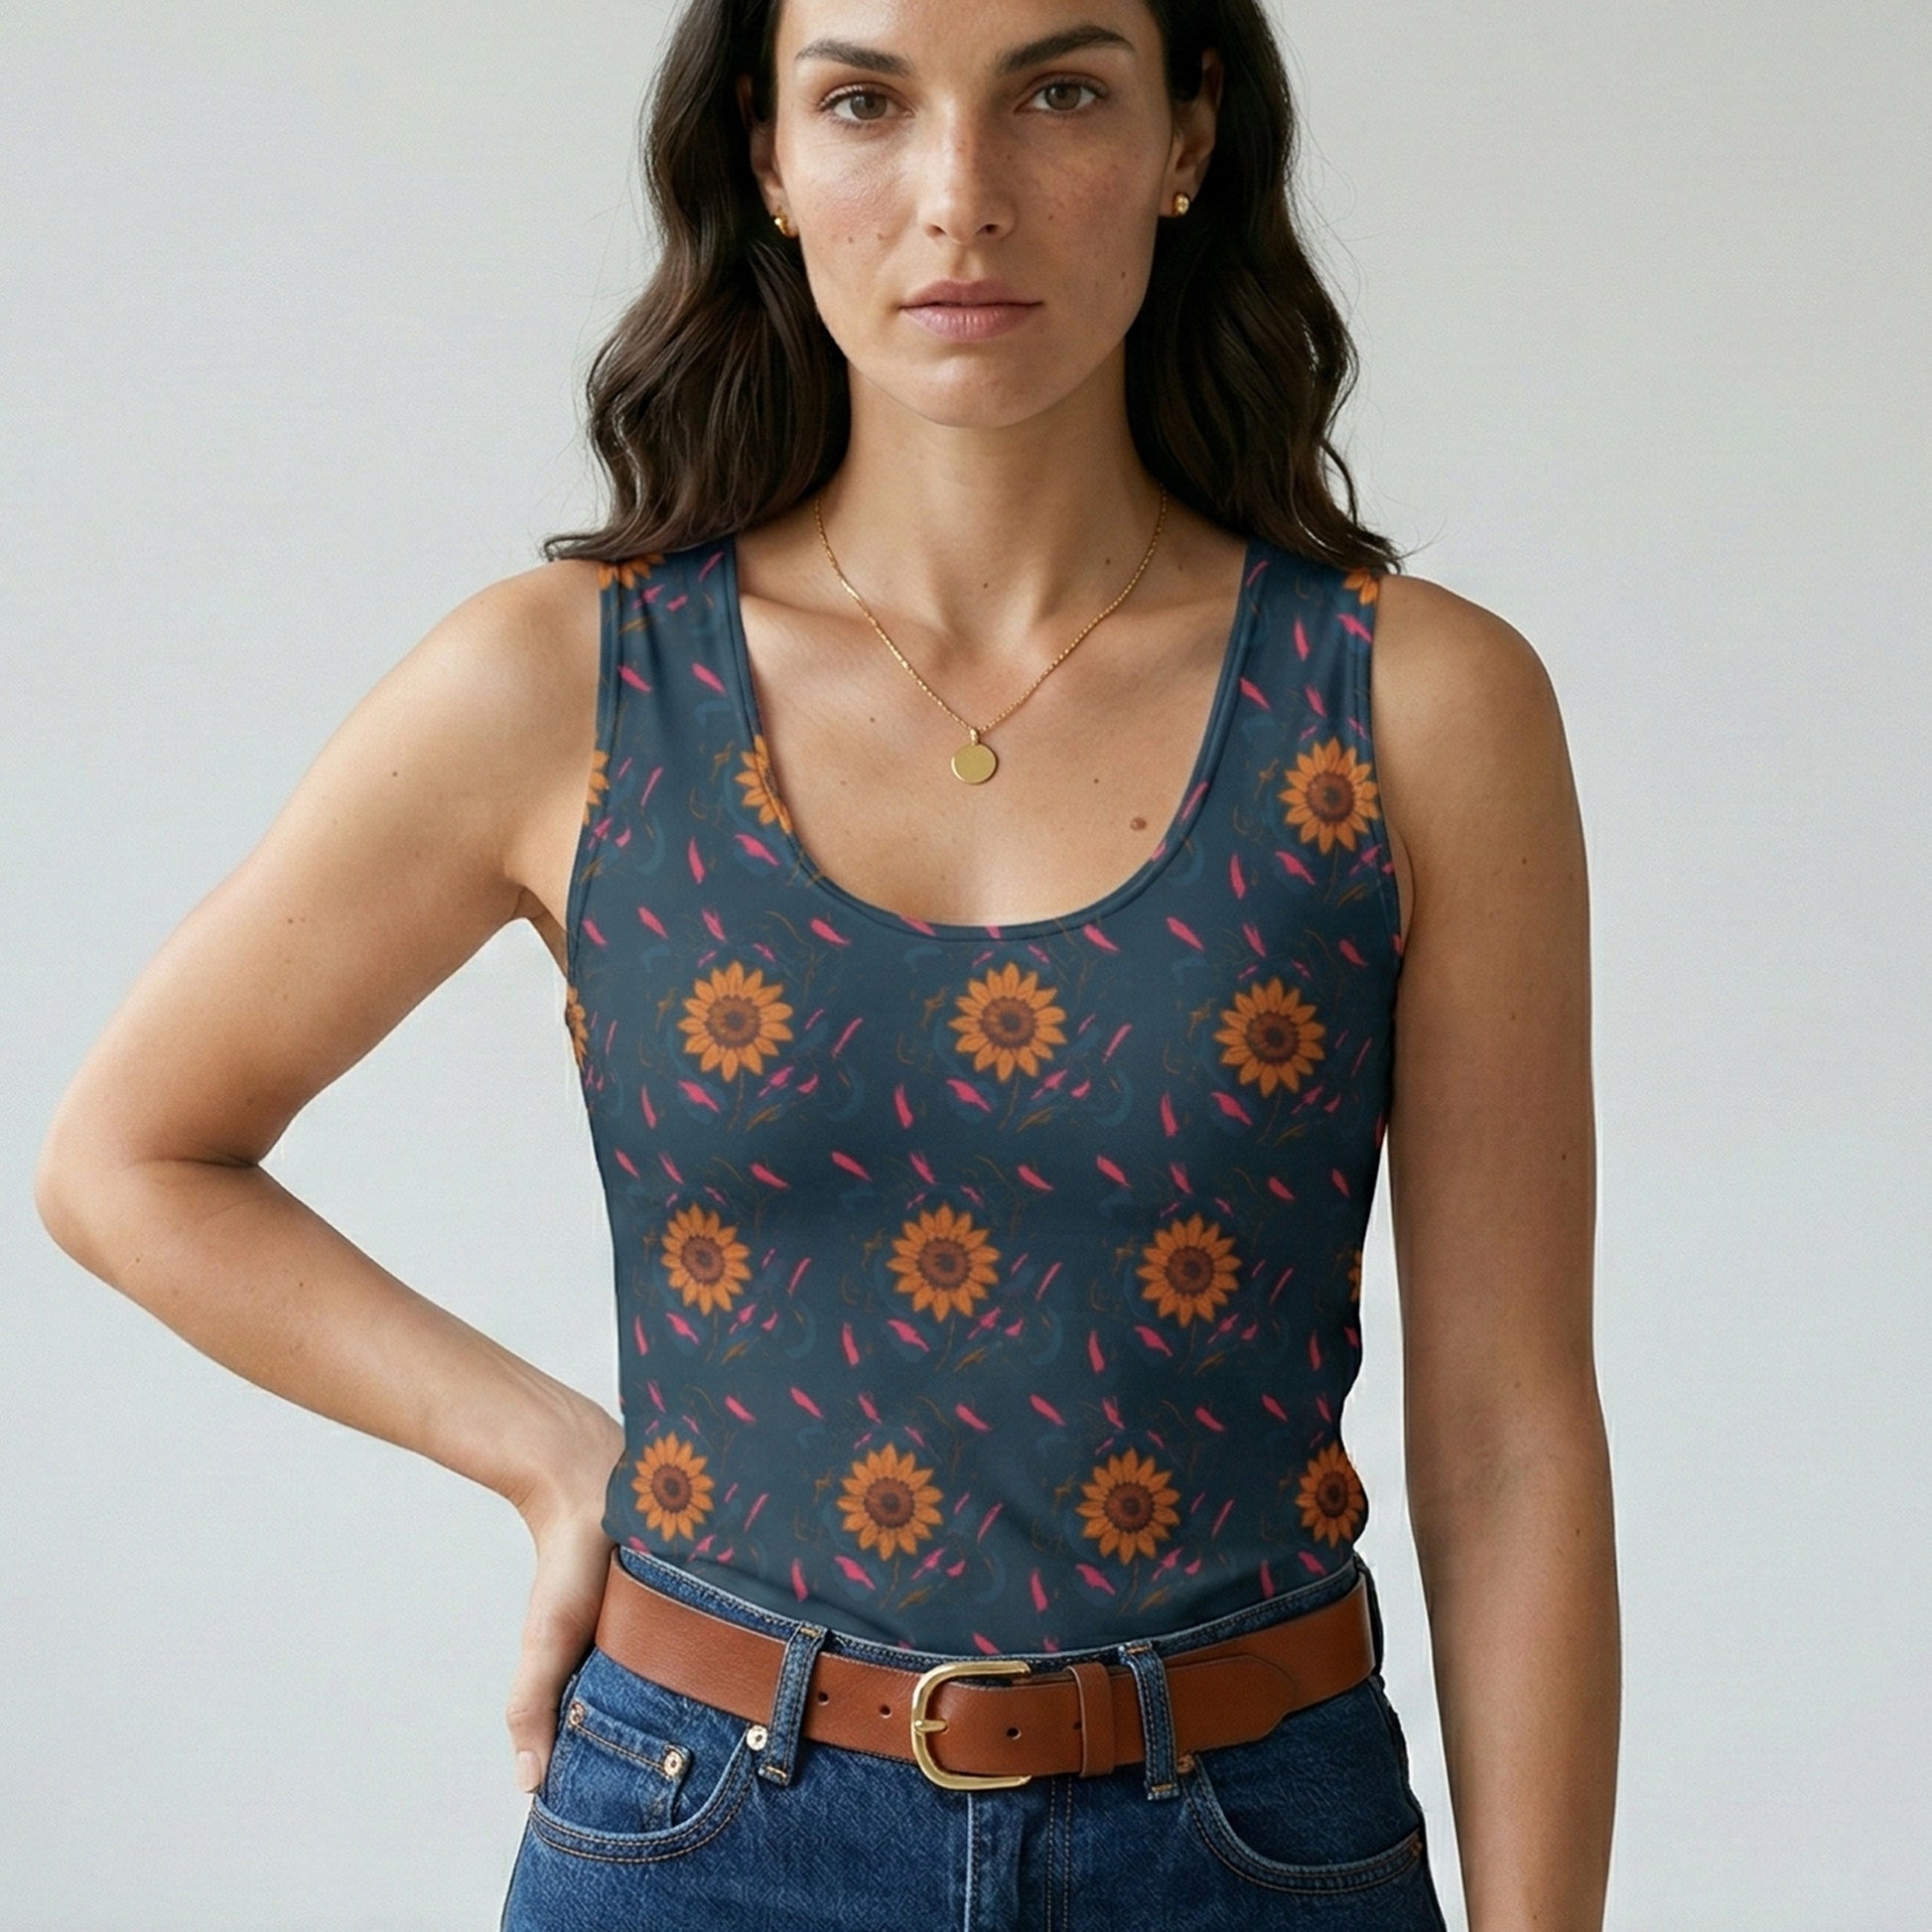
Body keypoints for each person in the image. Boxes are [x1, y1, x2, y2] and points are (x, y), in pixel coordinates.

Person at [35, 0, 1618, 1925]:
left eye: (1056, 90)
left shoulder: (1414, 708)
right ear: (767, 158)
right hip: (706, 1838)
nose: (963, 197)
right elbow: (128, 1156)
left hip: (1251, 1846)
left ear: (1188, 134)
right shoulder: (567, 689)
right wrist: (550, 1458)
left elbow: (1510, 1437)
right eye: (865, 99)